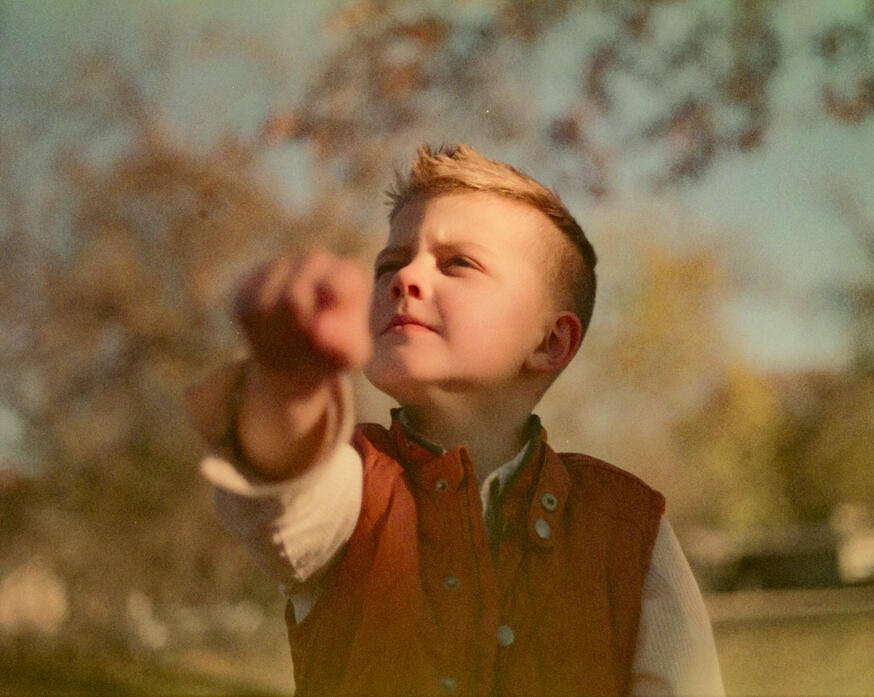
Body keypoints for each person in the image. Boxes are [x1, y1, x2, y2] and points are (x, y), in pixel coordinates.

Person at [189, 144, 724, 697]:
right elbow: (284, 489)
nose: (406, 278)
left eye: (458, 263)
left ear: (550, 341)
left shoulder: (628, 524)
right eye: (391, 264)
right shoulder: (354, 489)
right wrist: (286, 382)